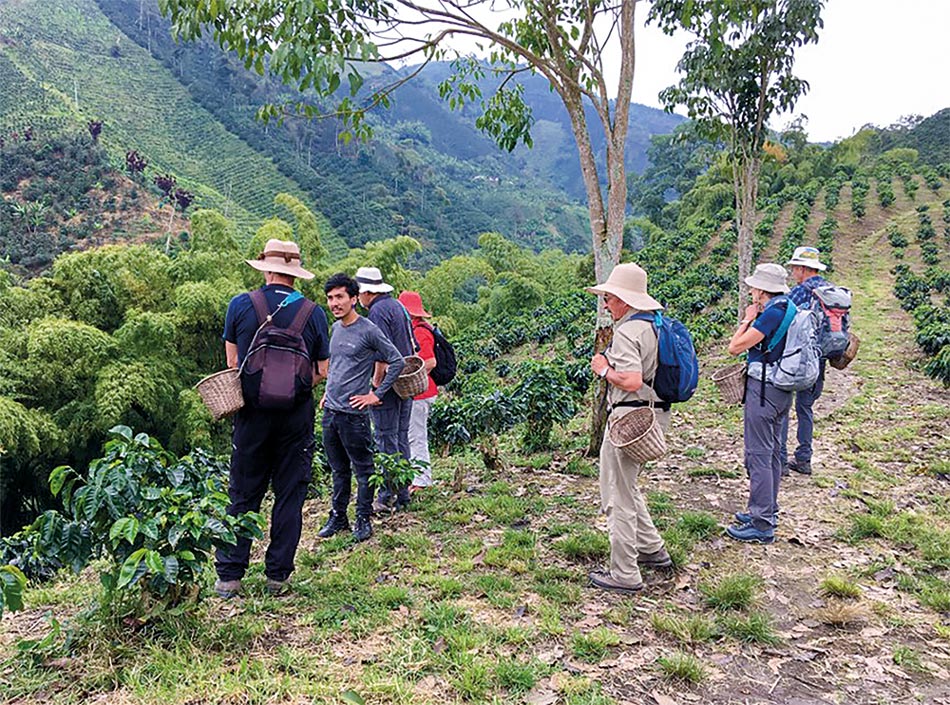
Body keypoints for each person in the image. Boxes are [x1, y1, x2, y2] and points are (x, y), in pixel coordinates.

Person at [214, 239, 329, 599]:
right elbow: (321, 369)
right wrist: (292, 387)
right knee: (289, 494)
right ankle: (277, 576)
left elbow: (233, 363)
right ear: (295, 273)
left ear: (265, 268)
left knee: (242, 492)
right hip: (296, 418)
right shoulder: (314, 312)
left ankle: (230, 576)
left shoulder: (241, 305)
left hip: (251, 416)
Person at [586, 263, 674, 595]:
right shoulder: (655, 325)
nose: (606, 304)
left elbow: (632, 379)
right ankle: (653, 550)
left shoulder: (627, 332)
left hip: (629, 418)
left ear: (625, 300)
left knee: (616, 494)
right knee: (629, 484)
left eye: (609, 298)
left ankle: (624, 572)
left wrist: (604, 369)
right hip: (653, 414)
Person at [318, 273, 405, 542]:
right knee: (338, 469)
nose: (335, 303)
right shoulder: (336, 329)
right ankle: (338, 516)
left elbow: (397, 360)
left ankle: (363, 519)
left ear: (354, 298)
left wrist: (376, 394)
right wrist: (326, 392)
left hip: (354, 415)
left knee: (364, 469)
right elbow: (336, 366)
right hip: (331, 412)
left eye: (340, 297)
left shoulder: (368, 330)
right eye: (330, 298)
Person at [726, 263, 795, 544]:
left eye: (754, 287)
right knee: (774, 451)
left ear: (762, 290)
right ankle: (768, 508)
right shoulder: (788, 306)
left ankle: (761, 522)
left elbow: (735, 347)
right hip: (782, 388)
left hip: (764, 389)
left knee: (759, 454)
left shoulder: (770, 315)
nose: (751, 290)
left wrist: (746, 319)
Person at [355, 266, 415, 511]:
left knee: (385, 437)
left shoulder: (377, 312)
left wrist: (376, 386)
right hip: (404, 381)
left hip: (388, 384)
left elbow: (381, 353)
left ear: (367, 292)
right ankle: (404, 492)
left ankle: (387, 494)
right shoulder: (398, 306)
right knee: (401, 436)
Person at [781, 246, 831, 476]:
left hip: (796, 358)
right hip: (818, 359)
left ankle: (780, 460)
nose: (792, 272)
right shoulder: (829, 291)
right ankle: (804, 458)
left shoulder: (802, 291)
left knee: (782, 407)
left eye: (794, 268)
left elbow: (785, 319)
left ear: (803, 269)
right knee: (805, 408)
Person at [397, 290, 438, 492]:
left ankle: (422, 480)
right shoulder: (413, 329)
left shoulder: (420, 331)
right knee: (410, 435)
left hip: (421, 393)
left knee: (416, 436)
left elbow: (429, 361)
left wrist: (411, 374)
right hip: (420, 393)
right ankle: (415, 477)